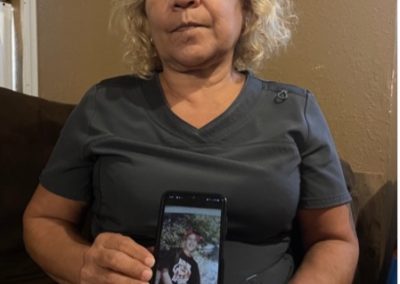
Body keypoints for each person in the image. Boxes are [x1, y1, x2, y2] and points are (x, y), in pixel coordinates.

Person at [23, 0, 359, 283]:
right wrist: (84, 265)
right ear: (144, 12)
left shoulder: (295, 111)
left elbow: (335, 240)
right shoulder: (103, 105)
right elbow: (43, 221)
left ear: (247, 7)